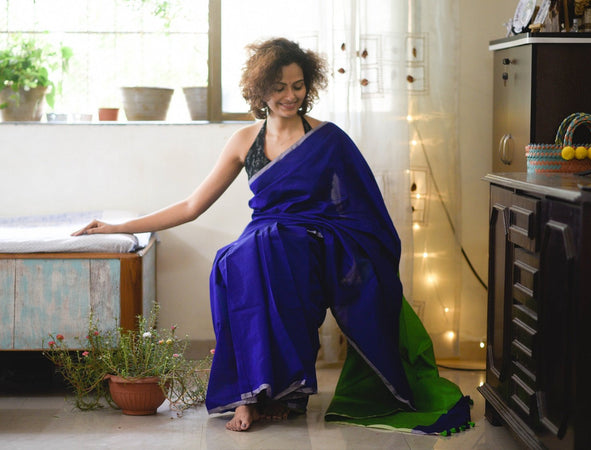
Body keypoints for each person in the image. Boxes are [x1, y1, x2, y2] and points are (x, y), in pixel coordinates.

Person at [74, 37, 471, 434]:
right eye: (279, 87)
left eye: (297, 86)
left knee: (268, 247)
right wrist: (119, 227)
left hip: (318, 238)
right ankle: (253, 396)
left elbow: (363, 207)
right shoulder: (245, 141)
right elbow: (193, 205)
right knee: (235, 258)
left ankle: (283, 393)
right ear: (260, 89)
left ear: (308, 85)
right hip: (265, 236)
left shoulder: (328, 138)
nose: (289, 95)